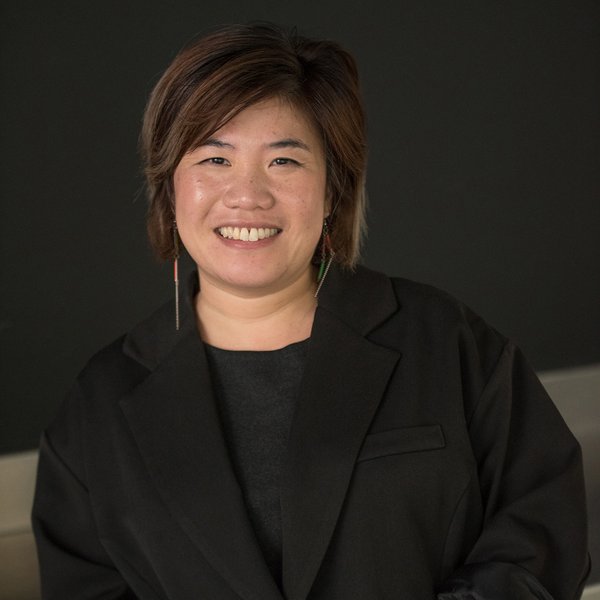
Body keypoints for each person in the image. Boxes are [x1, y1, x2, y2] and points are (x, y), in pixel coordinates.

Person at [32, 22, 590, 600]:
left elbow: (542, 530)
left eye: (284, 162)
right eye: (214, 160)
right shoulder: (98, 405)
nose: (247, 194)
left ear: (332, 192)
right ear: (170, 189)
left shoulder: (444, 340)